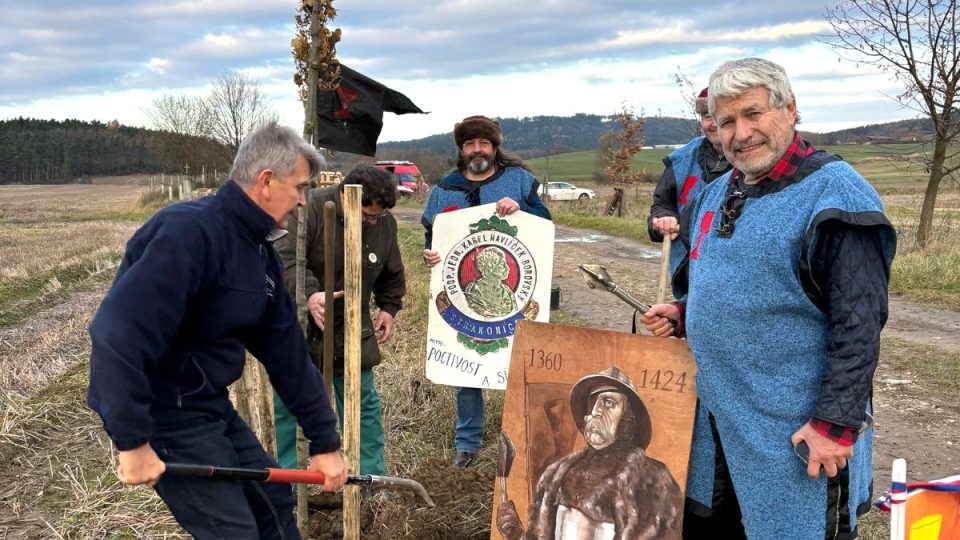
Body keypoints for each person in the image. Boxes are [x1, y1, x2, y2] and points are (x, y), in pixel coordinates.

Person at [640, 58, 896, 539]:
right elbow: (729, 281)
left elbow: (858, 325)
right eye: (727, 121)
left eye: (754, 114)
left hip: (795, 435)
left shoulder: (836, 198)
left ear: (790, 109)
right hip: (717, 427)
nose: (741, 132)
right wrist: (683, 312)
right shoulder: (718, 192)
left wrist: (835, 427)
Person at [87, 122, 346, 539]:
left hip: (208, 406)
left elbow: (288, 356)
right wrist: (133, 441)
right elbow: (116, 334)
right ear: (266, 182)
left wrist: (326, 443)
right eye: (299, 188)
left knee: (273, 506)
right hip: (164, 414)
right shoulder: (187, 234)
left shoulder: (261, 256)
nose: (302, 201)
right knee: (233, 531)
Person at [421, 115, 552, 468]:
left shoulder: (520, 181)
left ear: (494, 147)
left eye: (484, 143)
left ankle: (522, 438)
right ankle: (467, 443)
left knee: (518, 365)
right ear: (461, 150)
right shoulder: (444, 190)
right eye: (470, 144)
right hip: (462, 297)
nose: (477, 150)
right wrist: (429, 252)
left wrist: (521, 208)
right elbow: (431, 235)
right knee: (467, 365)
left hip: (516, 302)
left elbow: (545, 225)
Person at [273, 165, 405, 476]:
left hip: (351, 328)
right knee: (290, 405)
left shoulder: (383, 223)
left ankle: (369, 479)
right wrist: (310, 295)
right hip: (300, 324)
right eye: (367, 215)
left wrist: (388, 306)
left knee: (364, 406)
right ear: (347, 195)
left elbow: (391, 270)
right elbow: (286, 260)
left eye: (377, 217)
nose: (372, 221)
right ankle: (291, 481)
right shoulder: (308, 210)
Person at [496, 367, 683, 540]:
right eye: (592, 403)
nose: (596, 412)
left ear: (629, 417)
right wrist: (515, 532)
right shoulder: (556, 474)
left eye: (608, 403)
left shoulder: (654, 482)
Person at [647, 87, 731, 297]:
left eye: (720, 116)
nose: (713, 124)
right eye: (706, 116)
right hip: (688, 277)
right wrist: (663, 218)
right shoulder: (682, 161)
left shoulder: (752, 162)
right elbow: (662, 204)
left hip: (731, 276)